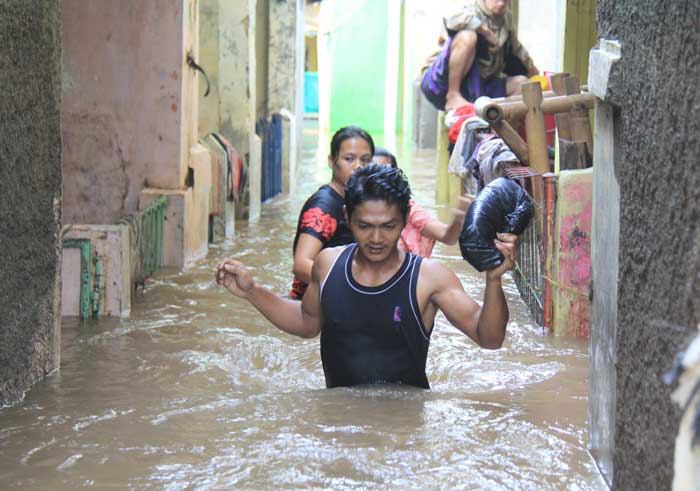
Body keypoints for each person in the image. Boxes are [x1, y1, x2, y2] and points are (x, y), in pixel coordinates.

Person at [216, 164, 517, 389]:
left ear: (404, 221)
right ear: (347, 217)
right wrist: (252, 291)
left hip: (403, 432)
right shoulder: (328, 264)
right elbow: (307, 323)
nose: (376, 238)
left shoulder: (429, 278)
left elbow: (489, 338)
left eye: (388, 226)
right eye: (364, 226)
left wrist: (493, 280)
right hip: (337, 426)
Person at [289, 126, 374, 299]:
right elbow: (301, 264)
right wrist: (352, 288)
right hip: (312, 308)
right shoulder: (324, 207)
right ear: (331, 161)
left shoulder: (353, 200)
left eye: (365, 160)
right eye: (349, 159)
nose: (358, 166)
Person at [421, 0, 539, 112]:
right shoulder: (469, 6)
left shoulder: (506, 17)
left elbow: (517, 49)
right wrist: (484, 31)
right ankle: (453, 95)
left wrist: (535, 73)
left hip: (479, 86)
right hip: (441, 83)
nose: (502, 3)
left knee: (522, 84)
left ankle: (501, 130)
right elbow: (451, 19)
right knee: (468, 37)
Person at [373, 147, 471, 257]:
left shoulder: (409, 210)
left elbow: (447, 236)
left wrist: (458, 219)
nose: (378, 179)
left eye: (384, 172)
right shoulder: (354, 208)